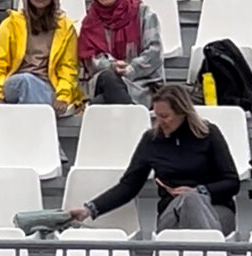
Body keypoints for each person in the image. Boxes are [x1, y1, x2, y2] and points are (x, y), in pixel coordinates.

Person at [69, 83, 240, 234]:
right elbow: (129, 185)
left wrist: (199, 192)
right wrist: (89, 209)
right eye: (157, 116)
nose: (160, 121)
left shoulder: (209, 134)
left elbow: (232, 182)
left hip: (216, 209)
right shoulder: (152, 140)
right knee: (188, 203)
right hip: (172, 213)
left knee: (192, 200)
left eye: (165, 116)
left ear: (183, 113)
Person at [0, 0, 83, 116]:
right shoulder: (10, 24)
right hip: (16, 83)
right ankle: (39, 125)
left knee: (33, 90)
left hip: (49, 87)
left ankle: (26, 128)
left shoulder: (66, 28)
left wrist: (63, 96)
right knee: (26, 81)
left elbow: (68, 68)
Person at [78, 0, 165, 107]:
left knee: (99, 103)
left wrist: (131, 68)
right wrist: (112, 66)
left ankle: (127, 112)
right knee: (108, 77)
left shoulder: (143, 14)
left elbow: (154, 53)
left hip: (141, 83)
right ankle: (133, 114)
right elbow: (91, 60)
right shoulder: (90, 22)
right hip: (106, 82)